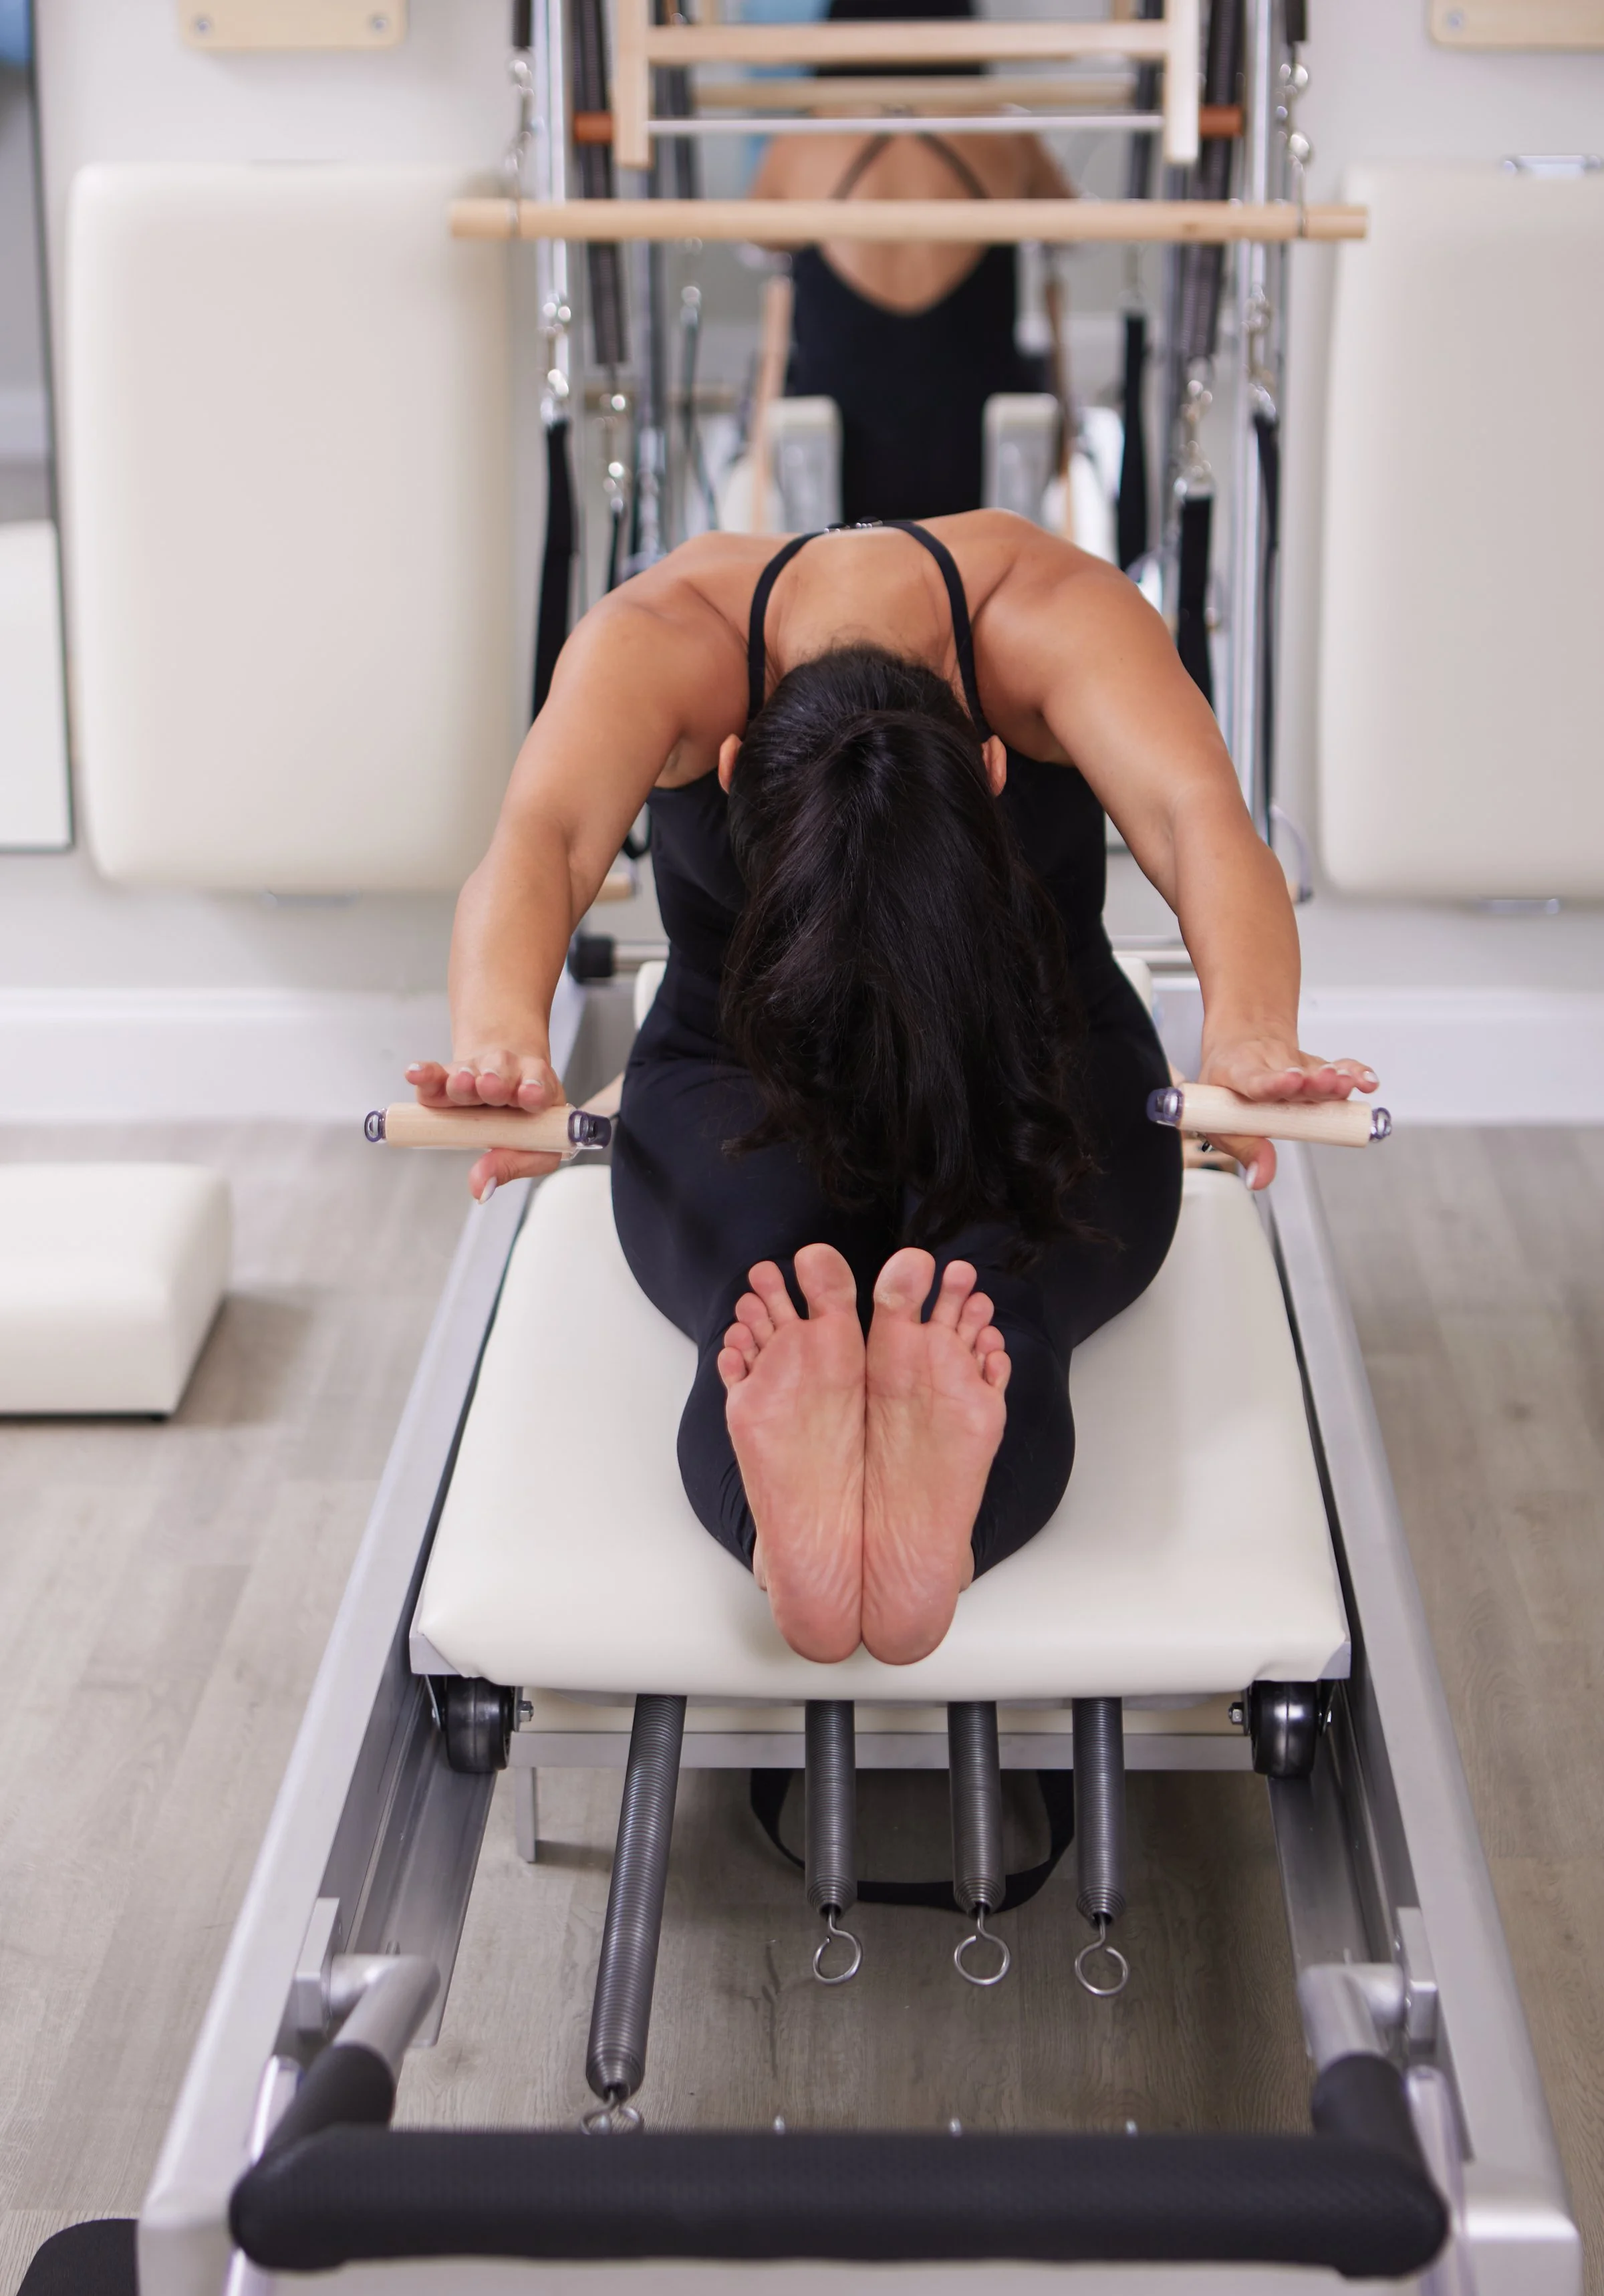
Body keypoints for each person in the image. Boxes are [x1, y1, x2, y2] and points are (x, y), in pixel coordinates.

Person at [410, 515, 1376, 1672]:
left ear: (990, 771)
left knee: (931, 1307)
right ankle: (830, 1530)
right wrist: (503, 1036)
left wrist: (1253, 1031)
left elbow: (1194, 817)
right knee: (812, 1311)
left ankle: (891, 1529)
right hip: (748, 1052)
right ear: (733, 768)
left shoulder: (1051, 621)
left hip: (1027, 1044)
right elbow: (547, 838)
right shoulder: (663, 642)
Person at [749, 0, 1071, 522]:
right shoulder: (1004, 132)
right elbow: (1074, 230)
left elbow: (756, 242)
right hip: (973, 465)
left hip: (841, 470)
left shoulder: (802, 139)